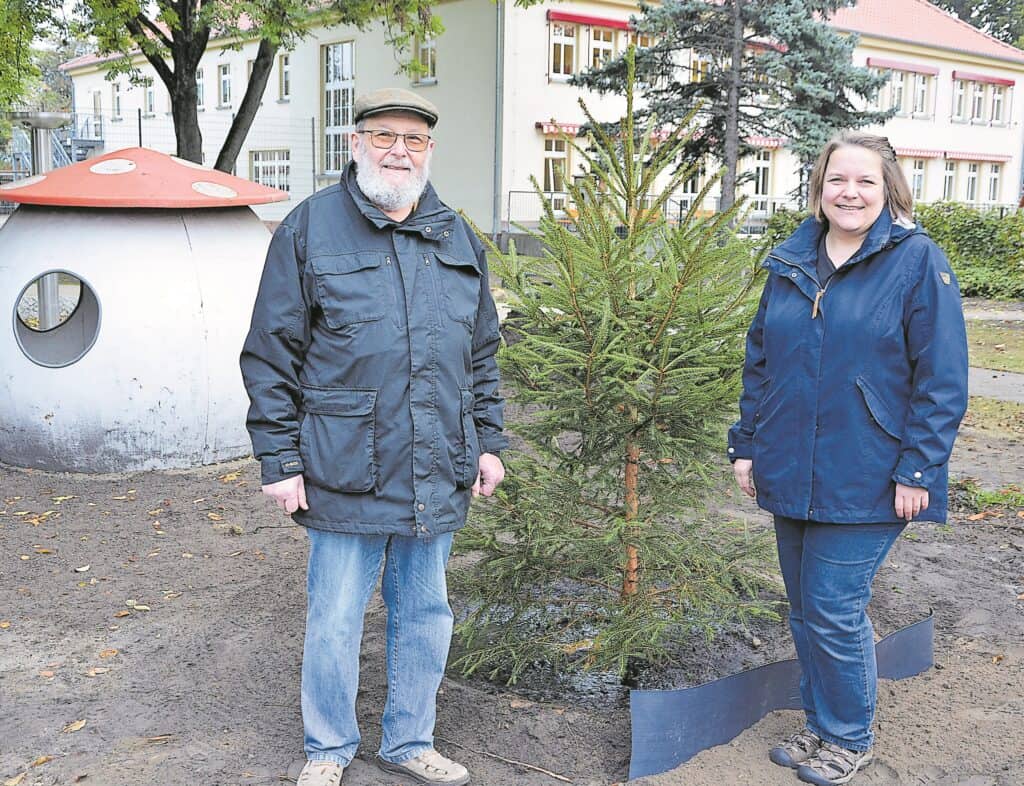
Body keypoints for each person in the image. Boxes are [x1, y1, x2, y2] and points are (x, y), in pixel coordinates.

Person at [240, 87, 507, 786]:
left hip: (435, 464)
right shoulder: (309, 230)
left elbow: (480, 354)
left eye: (414, 140)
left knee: (425, 614)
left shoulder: (457, 235)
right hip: (343, 466)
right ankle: (328, 749)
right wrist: (279, 459)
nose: (399, 150)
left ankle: (408, 741)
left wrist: (488, 441)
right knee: (333, 619)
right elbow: (271, 354)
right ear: (354, 144)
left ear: (429, 151)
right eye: (383, 136)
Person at [728, 132, 968, 786]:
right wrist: (745, 446)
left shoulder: (917, 262)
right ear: (819, 188)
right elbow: (760, 363)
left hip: (871, 473)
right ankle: (819, 724)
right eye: (838, 180)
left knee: (833, 607)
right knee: (805, 610)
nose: (850, 192)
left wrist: (919, 468)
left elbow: (943, 379)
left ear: (888, 189)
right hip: (789, 467)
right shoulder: (791, 261)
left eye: (865, 181)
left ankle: (848, 736)